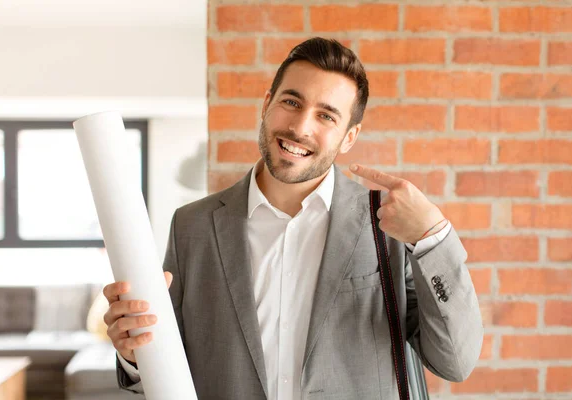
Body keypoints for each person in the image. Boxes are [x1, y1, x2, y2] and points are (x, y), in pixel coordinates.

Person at [103, 37, 483, 399]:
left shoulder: (389, 225)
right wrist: (134, 354)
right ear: (267, 103)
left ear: (349, 137)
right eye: (292, 102)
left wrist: (433, 237)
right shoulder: (192, 225)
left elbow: (454, 361)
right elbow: (168, 366)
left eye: (326, 116)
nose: (301, 128)